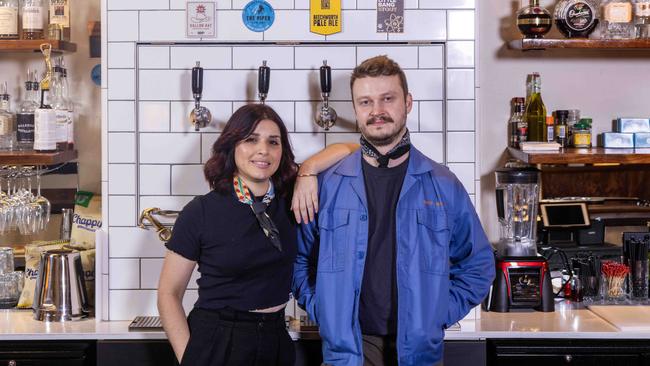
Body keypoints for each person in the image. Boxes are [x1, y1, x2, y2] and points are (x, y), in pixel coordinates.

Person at [292, 55, 495, 366]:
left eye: (388, 99)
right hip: (347, 352)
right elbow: (299, 258)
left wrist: (438, 311)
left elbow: (479, 265)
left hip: (419, 353)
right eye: (366, 102)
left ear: (408, 102)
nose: (377, 111)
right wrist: (324, 308)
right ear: (356, 109)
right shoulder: (328, 184)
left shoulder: (443, 184)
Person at [157, 103, 356, 366]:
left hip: (275, 338)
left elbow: (354, 148)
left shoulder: (291, 199)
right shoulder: (201, 211)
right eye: (251, 140)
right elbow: (168, 294)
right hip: (218, 340)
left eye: (273, 142)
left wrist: (308, 169)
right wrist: (190, 358)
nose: (263, 150)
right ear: (231, 146)